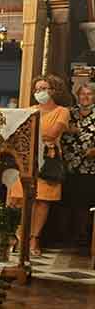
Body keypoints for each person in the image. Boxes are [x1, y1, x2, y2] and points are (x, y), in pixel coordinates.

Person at [8, 74, 72, 256]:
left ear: (53, 90)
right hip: (25, 160)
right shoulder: (29, 111)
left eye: (43, 89)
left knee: (42, 200)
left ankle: (34, 238)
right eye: (37, 89)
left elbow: (52, 134)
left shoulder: (62, 111)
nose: (39, 92)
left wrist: (32, 136)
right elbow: (17, 134)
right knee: (19, 197)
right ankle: (19, 236)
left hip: (47, 161)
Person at [61, 83, 95, 246]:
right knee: (67, 201)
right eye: (82, 94)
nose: (85, 97)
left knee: (84, 202)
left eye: (89, 94)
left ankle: (83, 236)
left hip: (89, 167)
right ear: (77, 96)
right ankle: (65, 236)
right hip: (67, 165)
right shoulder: (69, 113)